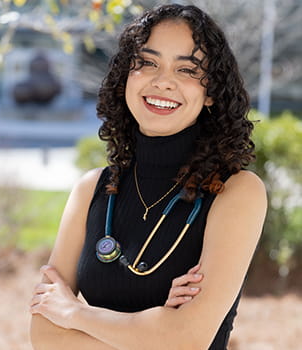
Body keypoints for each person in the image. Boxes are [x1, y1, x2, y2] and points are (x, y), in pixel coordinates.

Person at [30, 4, 267, 350]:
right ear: (127, 74)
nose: (163, 82)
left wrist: (74, 315)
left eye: (187, 70)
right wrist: (154, 329)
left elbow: (187, 339)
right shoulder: (91, 191)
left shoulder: (237, 192)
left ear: (211, 92)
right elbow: (45, 336)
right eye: (147, 62)